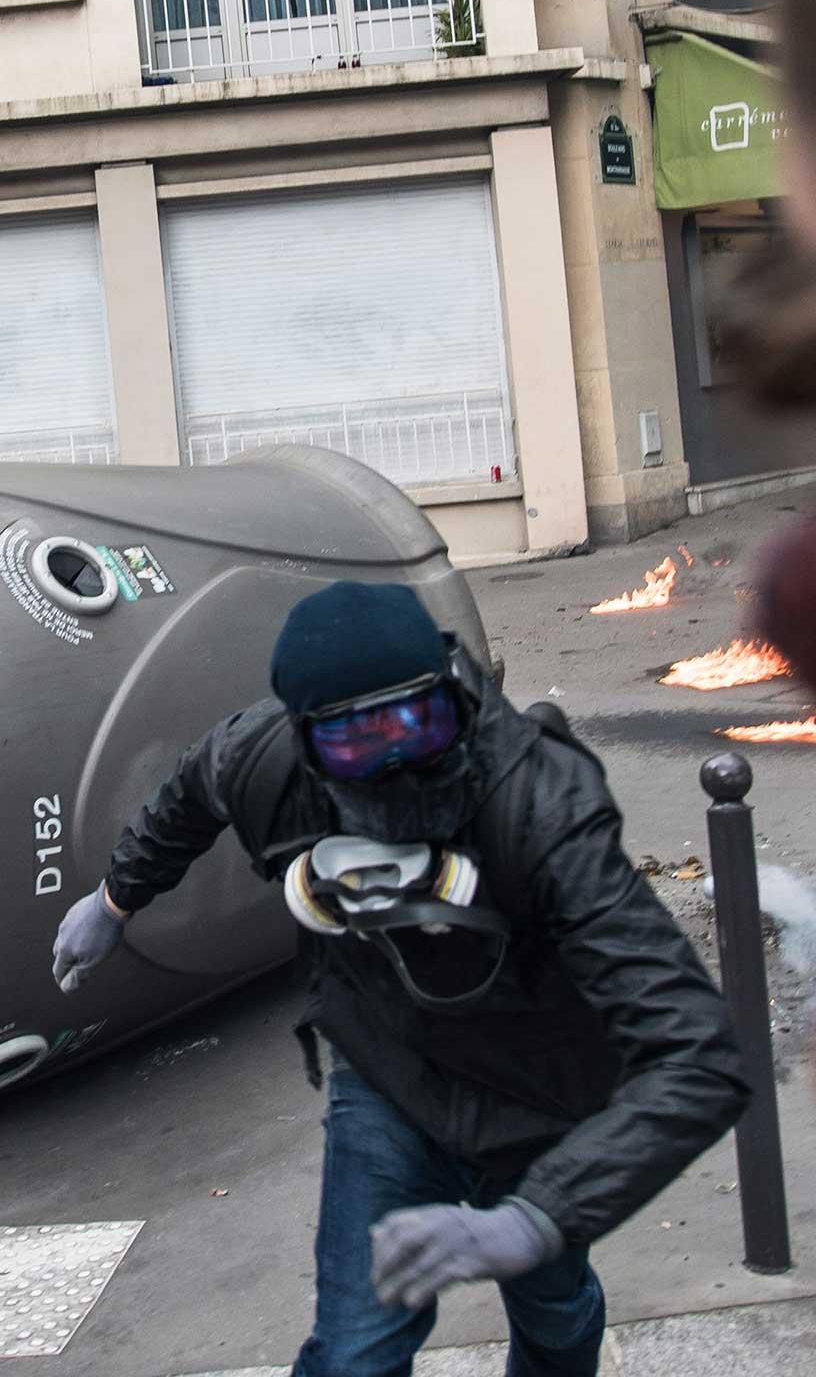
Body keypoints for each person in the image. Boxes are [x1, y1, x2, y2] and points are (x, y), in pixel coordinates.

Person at [50, 581, 748, 1377]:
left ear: (454, 698)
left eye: (414, 724)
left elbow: (699, 1052)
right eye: (354, 742)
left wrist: (540, 1216)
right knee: (354, 1354)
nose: (390, 763)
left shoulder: (540, 804)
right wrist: (114, 898)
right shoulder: (263, 760)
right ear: (306, 742)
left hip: (540, 1093)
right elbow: (185, 798)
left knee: (554, 1320)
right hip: (388, 1072)